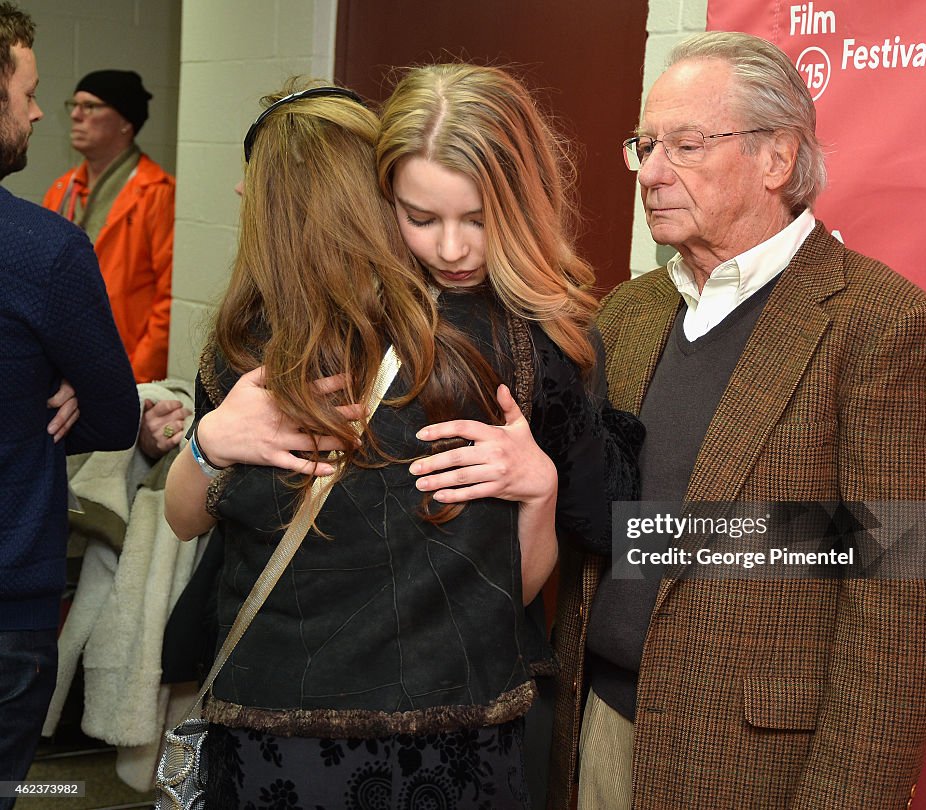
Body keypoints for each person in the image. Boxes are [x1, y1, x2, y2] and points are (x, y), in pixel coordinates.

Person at [164, 76, 633, 808]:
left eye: (476, 218)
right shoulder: (255, 347)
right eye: (421, 217)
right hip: (377, 741)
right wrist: (209, 443)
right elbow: (191, 518)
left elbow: (528, 571)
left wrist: (539, 484)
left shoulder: (512, 343)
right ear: (380, 201)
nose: (452, 248)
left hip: (346, 742)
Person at [546, 31, 926, 810]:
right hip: (597, 729)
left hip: (754, 771)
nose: (652, 171)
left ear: (777, 159)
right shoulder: (629, 312)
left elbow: (903, 620)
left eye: (685, 144)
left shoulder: (887, 328)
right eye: (645, 145)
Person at [0, 1, 139, 794]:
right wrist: (60, 388)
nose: (40, 109)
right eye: (27, 91)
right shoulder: (45, 247)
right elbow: (117, 414)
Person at [42, 69, 174, 383]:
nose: (75, 115)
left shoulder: (157, 193)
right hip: (62, 366)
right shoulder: (62, 190)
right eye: (73, 105)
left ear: (125, 122)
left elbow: (168, 301)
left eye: (90, 106)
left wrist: (134, 379)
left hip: (123, 369)